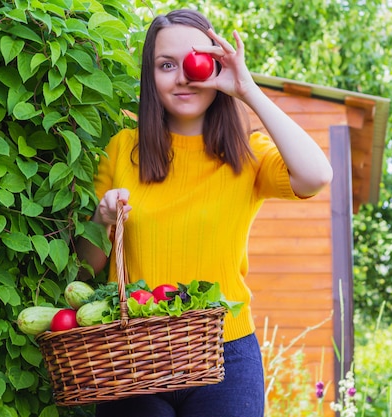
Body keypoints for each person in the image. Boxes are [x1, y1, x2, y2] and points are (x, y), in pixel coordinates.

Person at [76, 8, 333, 417]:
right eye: (165, 65)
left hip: (226, 355)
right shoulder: (123, 149)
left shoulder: (247, 155)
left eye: (194, 62)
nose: (182, 77)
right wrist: (101, 221)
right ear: (150, 76)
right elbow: (86, 270)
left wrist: (246, 88)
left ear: (215, 66)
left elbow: (317, 175)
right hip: (131, 357)